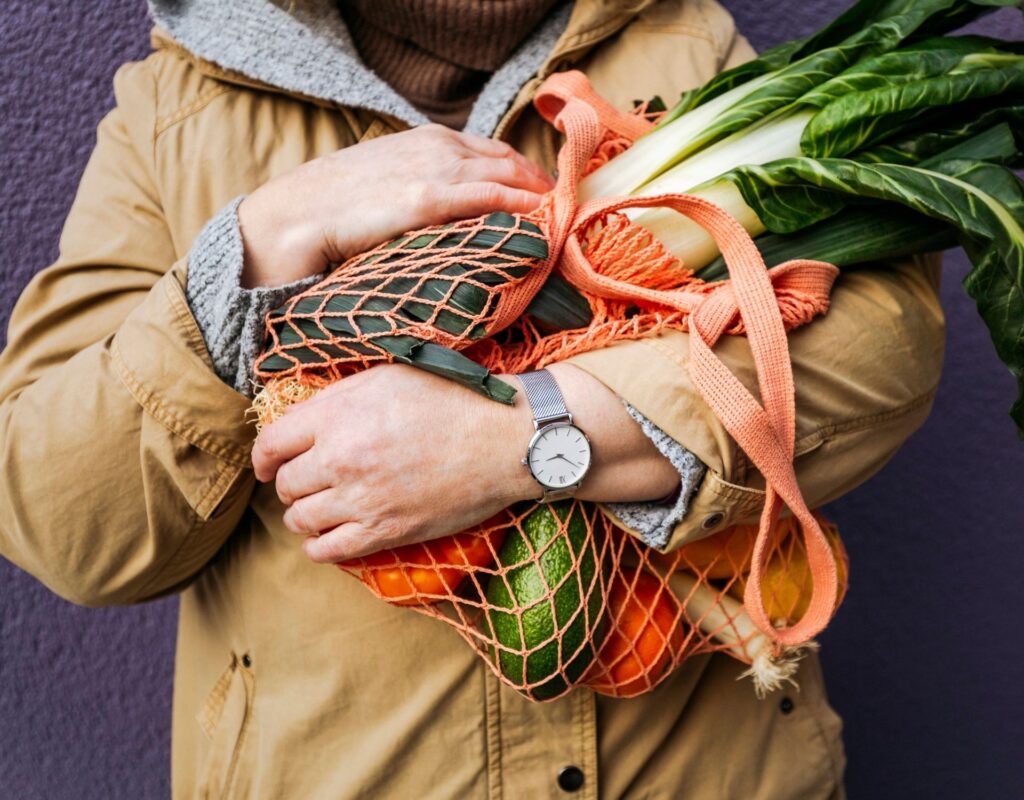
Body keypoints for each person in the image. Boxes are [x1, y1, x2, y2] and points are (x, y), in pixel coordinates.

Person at [0, 1, 944, 797]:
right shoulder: (177, 109)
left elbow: (882, 344)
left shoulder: (683, 47)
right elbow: (63, 523)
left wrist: (529, 432)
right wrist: (256, 244)